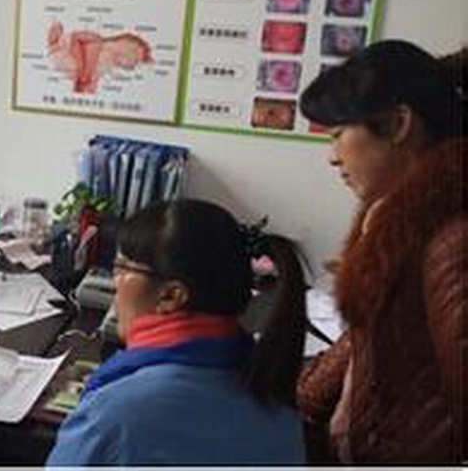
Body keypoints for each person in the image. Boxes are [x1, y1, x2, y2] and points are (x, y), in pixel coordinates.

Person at [297, 40, 466, 463]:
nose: (332, 158)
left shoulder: (452, 240)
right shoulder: (396, 218)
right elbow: (365, 338)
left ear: (398, 123)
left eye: (338, 135)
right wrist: (301, 397)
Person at [47, 199, 308, 465]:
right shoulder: (280, 407)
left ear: (170, 295)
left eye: (122, 267)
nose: (115, 281)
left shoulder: (111, 417)